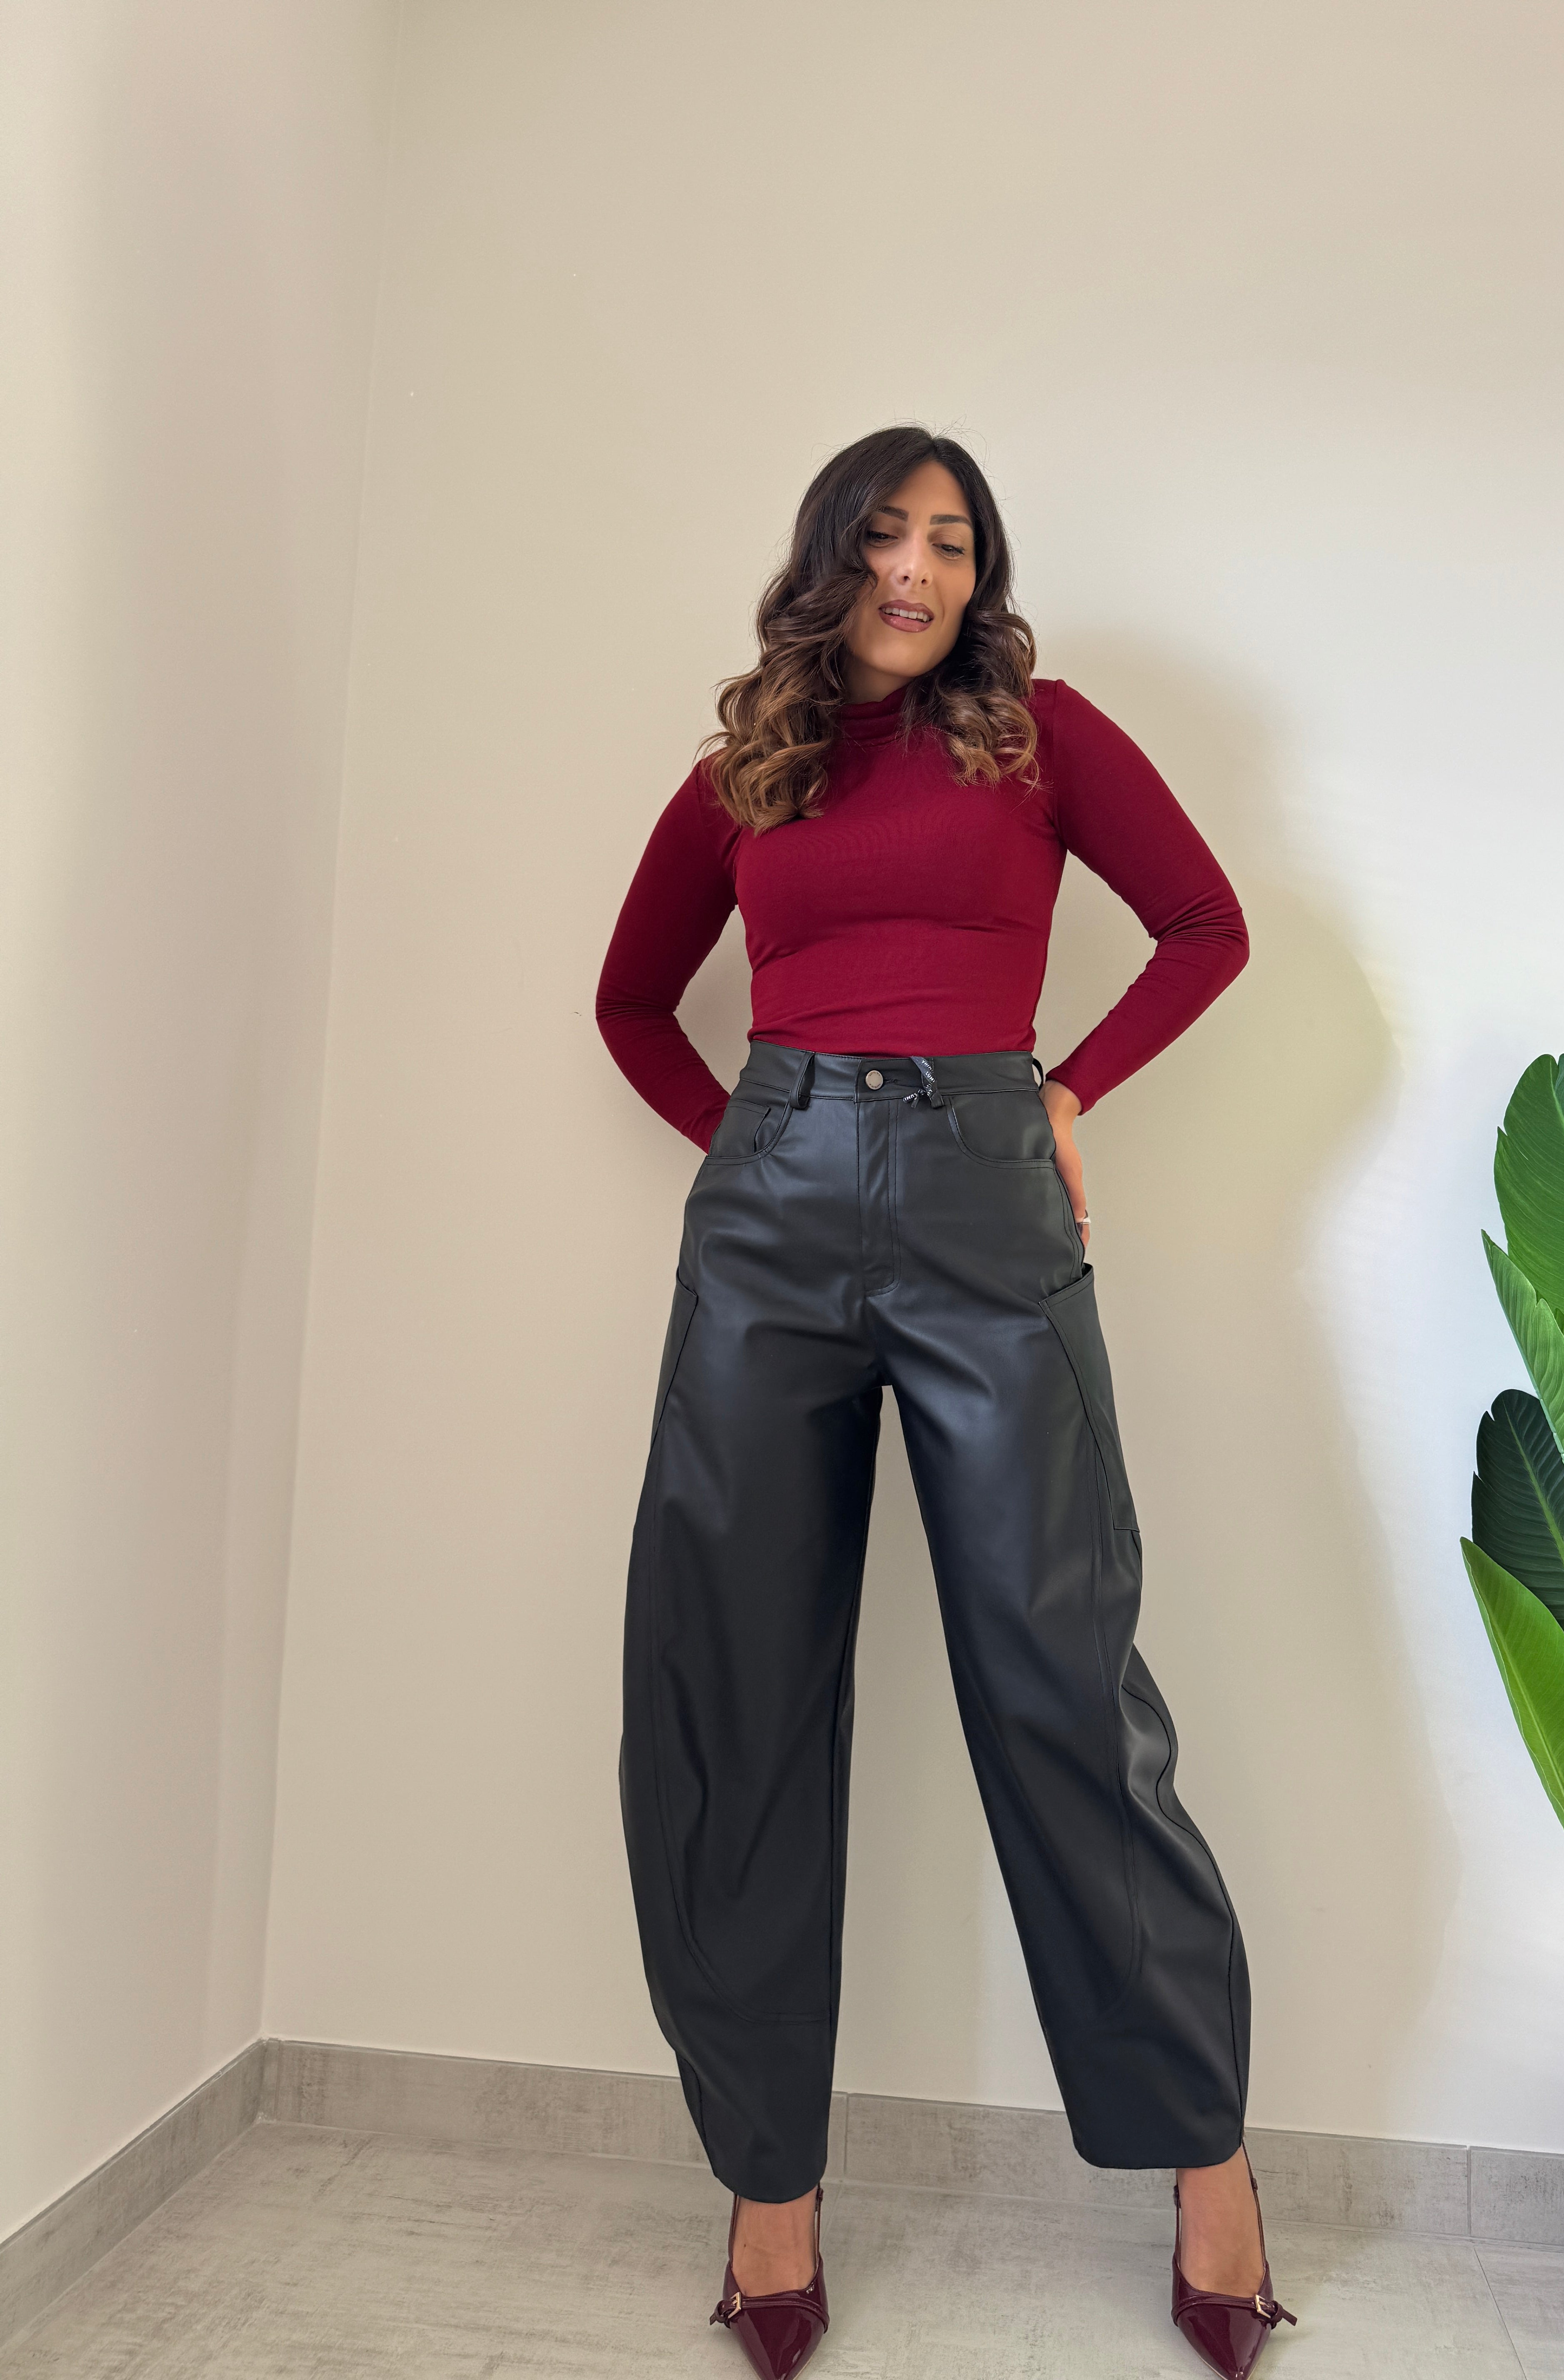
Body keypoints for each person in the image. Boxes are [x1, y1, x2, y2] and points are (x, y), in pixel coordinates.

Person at [595, 426, 1293, 2380]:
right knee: (734, 1692)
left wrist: (1062, 1094)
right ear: (828, 555)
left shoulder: (1043, 737)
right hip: (772, 1221)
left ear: (982, 576)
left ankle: (1207, 2155)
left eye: (954, 542)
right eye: (888, 535)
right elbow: (633, 1002)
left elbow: (1210, 927)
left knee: (1063, 1682)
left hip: (991, 1201)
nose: (918, 570)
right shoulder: (750, 767)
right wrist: (753, 1146)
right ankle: (770, 2185)